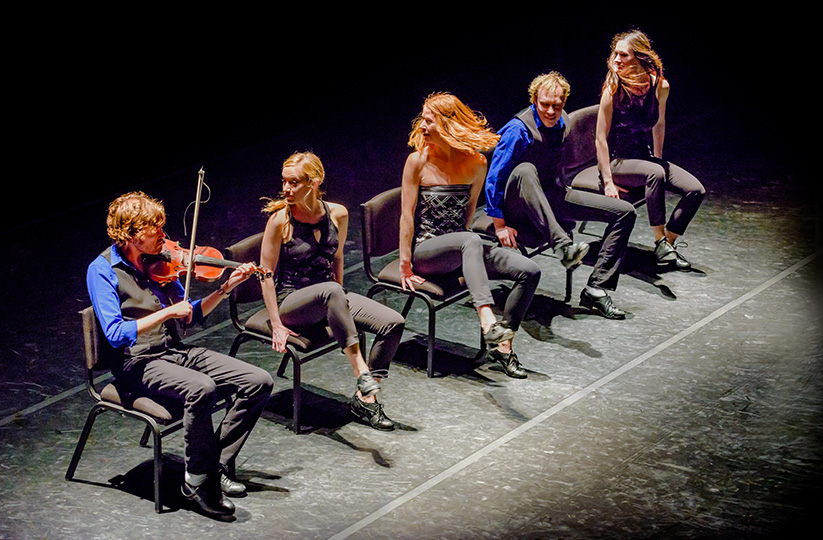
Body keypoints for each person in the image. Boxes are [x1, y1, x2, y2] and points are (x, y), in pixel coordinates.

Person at [86, 191, 273, 520]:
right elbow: (115, 334)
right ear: (130, 234)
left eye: (162, 226)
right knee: (201, 388)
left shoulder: (161, 262)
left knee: (258, 381)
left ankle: (213, 464)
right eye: (153, 228)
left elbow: (190, 316)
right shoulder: (101, 270)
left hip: (175, 351)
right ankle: (198, 481)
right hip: (137, 363)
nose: (163, 235)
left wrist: (224, 288)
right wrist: (166, 313)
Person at [258, 151, 405, 431]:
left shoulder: (338, 213)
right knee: (331, 291)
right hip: (293, 303)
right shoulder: (280, 221)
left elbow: (336, 257)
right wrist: (276, 324)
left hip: (329, 296)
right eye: (284, 182)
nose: (286, 189)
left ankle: (365, 399)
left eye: (294, 183)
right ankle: (359, 370)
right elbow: (265, 274)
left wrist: (340, 304)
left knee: (392, 323)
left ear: (313, 182)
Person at [400, 92, 541, 379]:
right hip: (427, 253)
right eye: (423, 121)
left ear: (448, 125)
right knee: (470, 239)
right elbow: (406, 216)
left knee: (529, 270)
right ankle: (487, 321)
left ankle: (503, 345)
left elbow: (468, 214)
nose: (423, 127)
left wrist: (469, 251)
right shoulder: (417, 162)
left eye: (429, 121)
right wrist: (405, 263)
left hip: (463, 249)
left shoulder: (476, 163)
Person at [485, 71, 636, 320]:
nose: (550, 111)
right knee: (525, 170)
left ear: (564, 102)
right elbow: (494, 178)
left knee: (624, 213)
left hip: (550, 196)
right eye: (545, 105)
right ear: (534, 100)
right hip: (516, 206)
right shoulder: (518, 130)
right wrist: (499, 224)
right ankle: (563, 247)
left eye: (557, 105)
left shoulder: (563, 122)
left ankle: (596, 289)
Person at [595, 29, 706, 270]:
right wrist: (608, 181)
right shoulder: (612, 89)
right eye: (615, 54)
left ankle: (667, 243)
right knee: (654, 174)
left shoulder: (659, 86)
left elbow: (659, 124)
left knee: (695, 190)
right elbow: (600, 140)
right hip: (617, 160)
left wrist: (658, 158)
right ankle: (660, 241)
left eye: (623, 55)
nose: (616, 59)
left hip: (643, 157)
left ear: (640, 58)